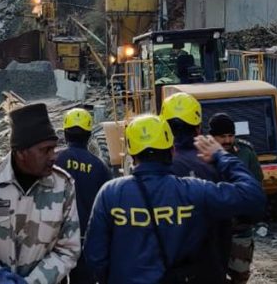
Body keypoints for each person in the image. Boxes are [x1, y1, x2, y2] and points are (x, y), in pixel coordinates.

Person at [84, 115, 266, 284]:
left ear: (132, 155)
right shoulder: (194, 190)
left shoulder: (110, 194)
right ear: (171, 151)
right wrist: (221, 156)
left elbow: (94, 256)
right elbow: (252, 196)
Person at [0, 103, 81, 284]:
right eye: (45, 150)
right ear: (21, 152)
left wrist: (35, 281)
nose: (54, 156)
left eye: (54, 148)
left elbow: (69, 249)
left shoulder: (63, 186)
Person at [162, 92, 230, 280]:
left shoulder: (159, 168)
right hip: (209, 268)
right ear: (198, 127)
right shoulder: (214, 164)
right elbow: (227, 222)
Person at [54, 109, 112, 284]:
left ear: (65, 134)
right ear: (89, 135)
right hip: (85, 243)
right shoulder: (100, 167)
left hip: (55, 241)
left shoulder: (53, 160)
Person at [209, 113, 265, 284]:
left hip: (240, 229)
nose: (227, 140)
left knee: (240, 275)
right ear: (212, 136)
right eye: (222, 136)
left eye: (230, 135)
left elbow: (256, 185)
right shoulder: (203, 155)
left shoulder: (246, 152)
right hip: (213, 230)